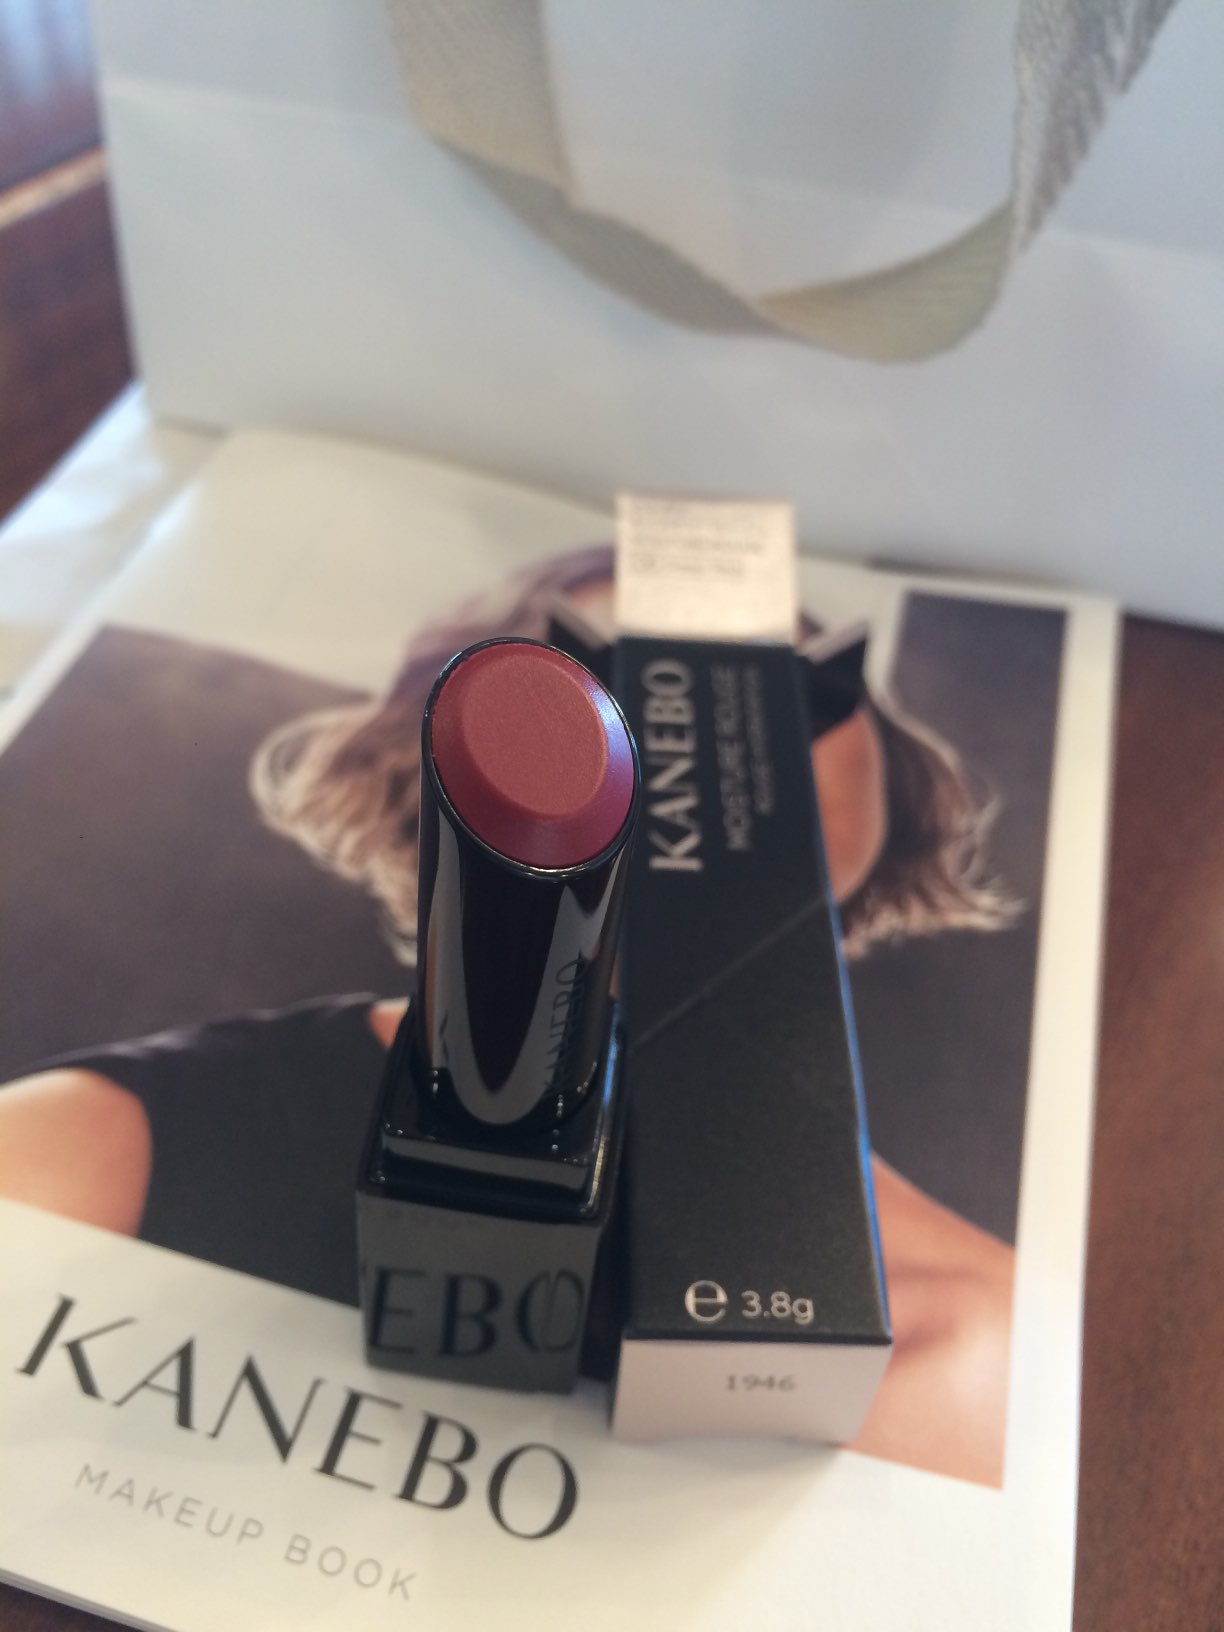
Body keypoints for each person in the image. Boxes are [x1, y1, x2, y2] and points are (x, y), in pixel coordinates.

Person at [0, 545, 1018, 1486]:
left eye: (768, 689)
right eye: (617, 677)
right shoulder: (115, 1133)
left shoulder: (975, 1325)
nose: (695, 754)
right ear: (435, 778)